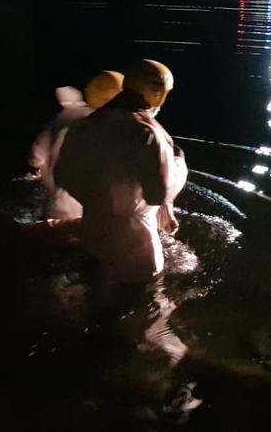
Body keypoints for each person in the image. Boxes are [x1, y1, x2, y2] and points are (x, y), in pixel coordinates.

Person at [56, 59, 188, 284]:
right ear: (159, 94)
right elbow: (159, 194)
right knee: (145, 307)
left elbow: (62, 175)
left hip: (91, 232)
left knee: (94, 296)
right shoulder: (147, 134)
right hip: (135, 246)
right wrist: (178, 163)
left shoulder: (85, 125)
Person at [30, 70, 124, 221]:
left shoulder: (64, 116)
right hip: (91, 211)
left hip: (56, 206)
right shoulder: (109, 126)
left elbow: (35, 157)